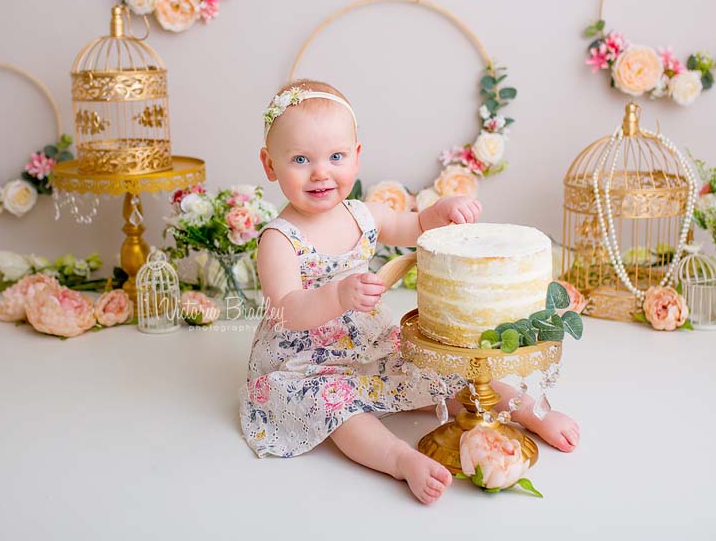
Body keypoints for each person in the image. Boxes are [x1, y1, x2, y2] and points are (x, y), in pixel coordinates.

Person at [240, 80, 579, 504]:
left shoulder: (361, 214)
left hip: (368, 342)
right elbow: (286, 310)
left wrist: (439, 212)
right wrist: (337, 297)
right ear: (270, 165)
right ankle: (399, 459)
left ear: (356, 156)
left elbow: (413, 226)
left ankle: (531, 413)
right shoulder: (279, 238)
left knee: (442, 372)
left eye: (336, 156)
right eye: (301, 159)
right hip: (307, 359)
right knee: (338, 407)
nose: (321, 172)